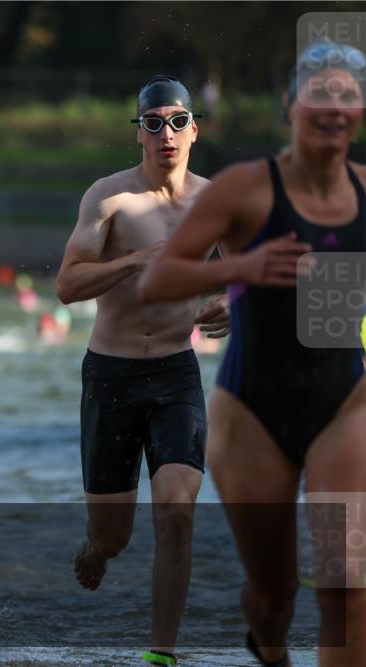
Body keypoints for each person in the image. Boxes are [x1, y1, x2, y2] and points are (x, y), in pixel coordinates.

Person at [139, 42, 366, 667]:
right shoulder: (245, 188)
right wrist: (243, 271)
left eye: (348, 95)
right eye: (319, 93)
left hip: (345, 406)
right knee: (276, 592)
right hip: (252, 415)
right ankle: (267, 642)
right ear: (291, 104)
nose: (333, 107)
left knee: (347, 587)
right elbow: (159, 279)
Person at [55, 75, 230, 666]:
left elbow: (258, 271)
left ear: (194, 131)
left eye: (177, 121)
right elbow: (65, 285)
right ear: (139, 134)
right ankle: (97, 547)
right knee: (115, 535)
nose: (166, 134)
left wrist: (236, 301)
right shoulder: (109, 198)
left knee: (177, 515)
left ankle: (162, 653)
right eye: (153, 123)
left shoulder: (216, 202)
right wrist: (136, 260)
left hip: (177, 375)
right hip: (111, 375)